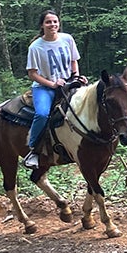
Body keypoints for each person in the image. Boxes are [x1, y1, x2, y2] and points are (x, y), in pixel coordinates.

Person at [24, 9, 85, 169]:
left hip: (68, 83)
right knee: (42, 114)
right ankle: (33, 150)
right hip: (44, 87)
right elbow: (32, 73)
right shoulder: (35, 47)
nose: (52, 25)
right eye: (48, 22)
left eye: (55, 21)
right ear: (42, 25)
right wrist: (52, 84)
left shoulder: (67, 39)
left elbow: (74, 61)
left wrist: (76, 76)